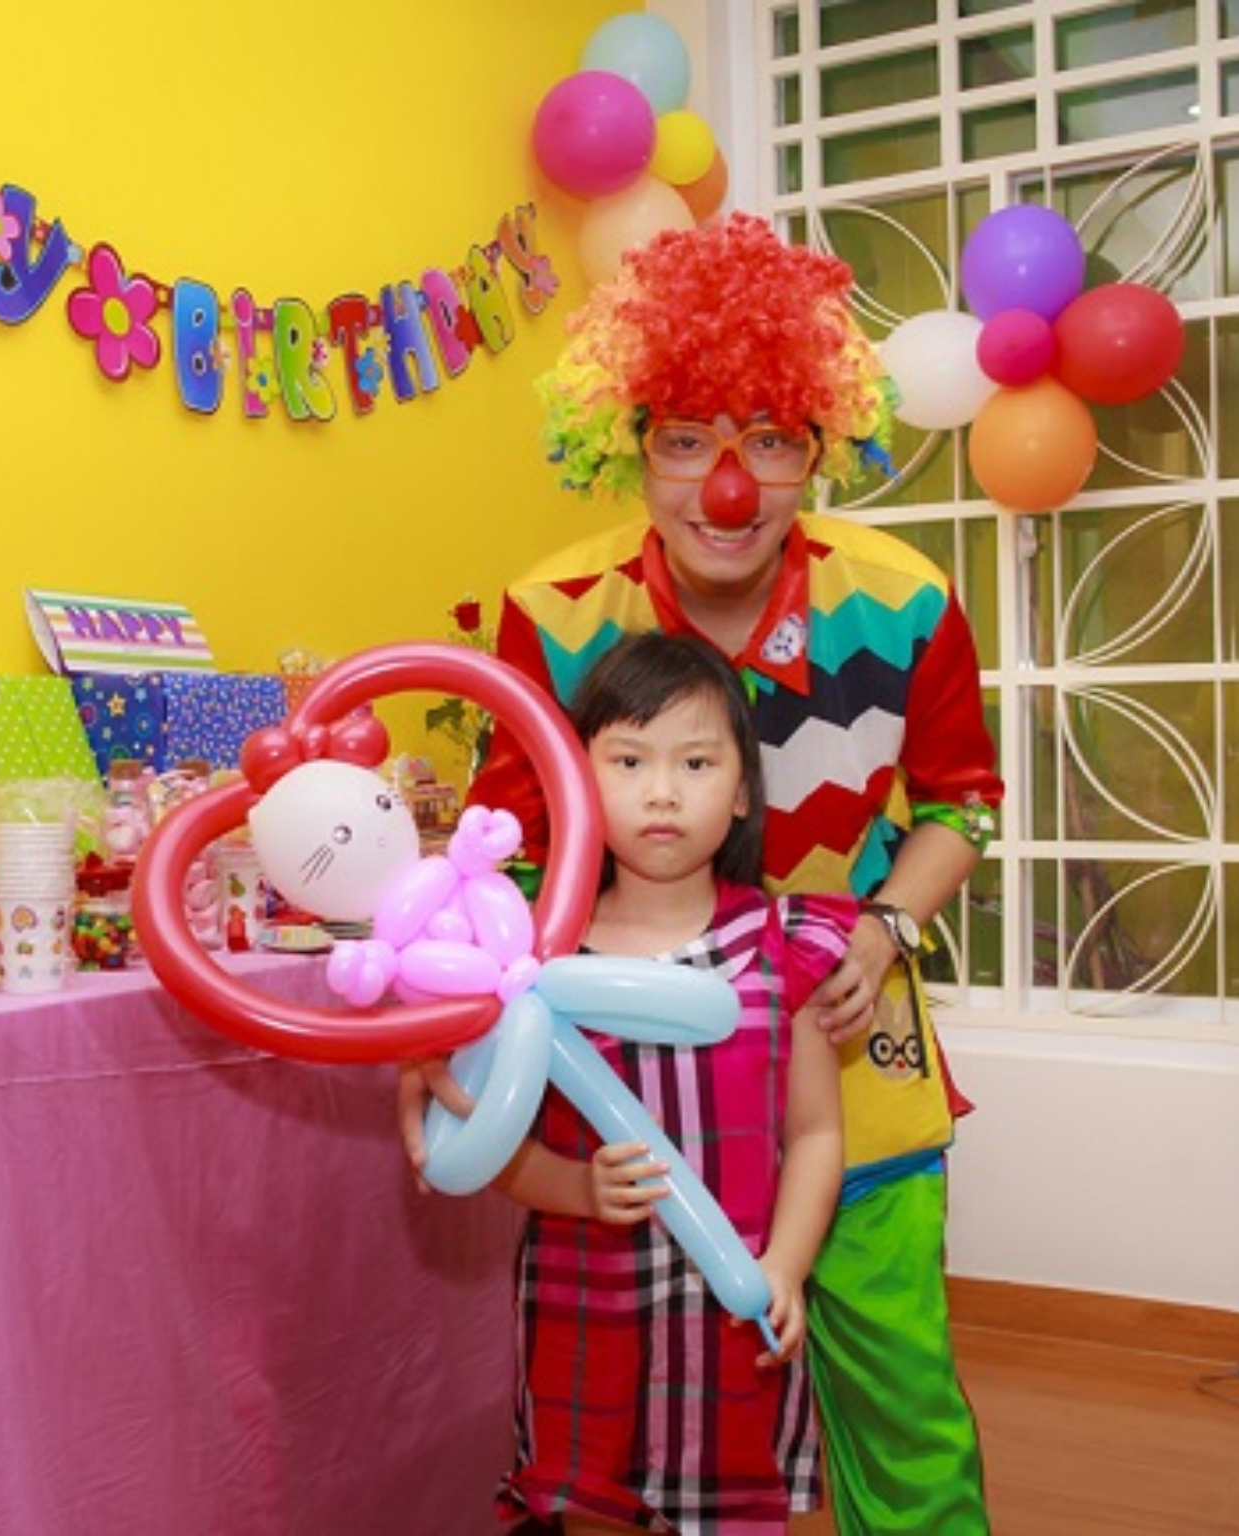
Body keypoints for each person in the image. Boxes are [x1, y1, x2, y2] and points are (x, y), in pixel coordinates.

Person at [406, 214, 1004, 1534]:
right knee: (646, 1420)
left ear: (819, 448)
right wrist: (448, 1039)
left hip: (847, 1056)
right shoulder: (553, 611)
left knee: (900, 1400)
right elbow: (502, 858)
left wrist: (882, 932)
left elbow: (963, 805)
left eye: (770, 443)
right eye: (685, 440)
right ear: (630, 442)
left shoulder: (906, 600)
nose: (724, 491)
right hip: (636, 1082)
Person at [494, 629, 849, 1536]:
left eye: (696, 762)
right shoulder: (531, 960)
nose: (662, 791)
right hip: (586, 1311)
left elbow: (814, 1131)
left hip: (731, 1312)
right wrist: (573, 1186)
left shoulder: (782, 947)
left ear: (742, 790)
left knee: (731, 1509)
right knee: (591, 1508)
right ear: (577, 783)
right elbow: (492, 1144)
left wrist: (786, 1267)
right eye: (628, 761)